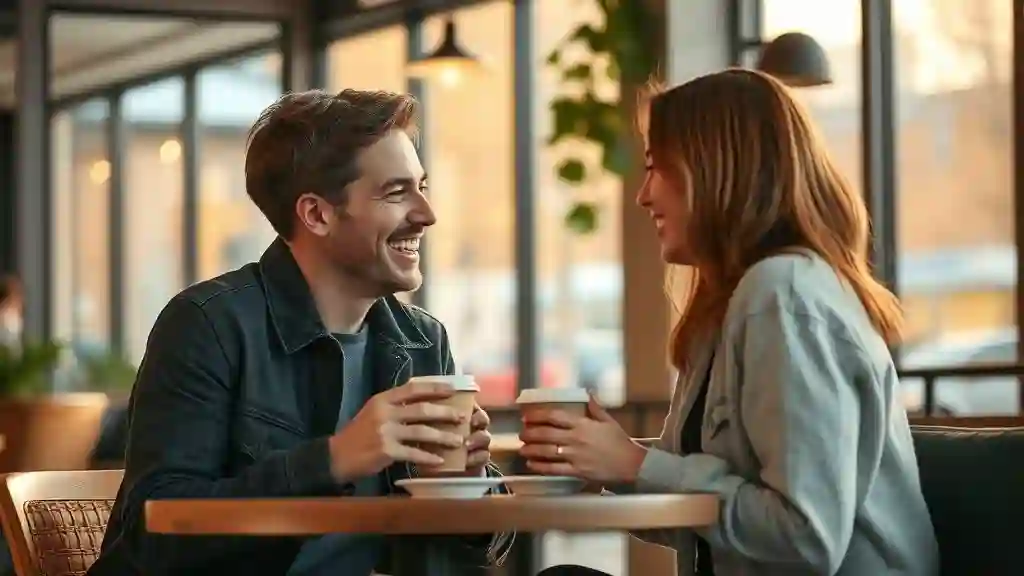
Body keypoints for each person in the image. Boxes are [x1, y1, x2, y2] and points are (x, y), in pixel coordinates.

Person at [519, 69, 940, 576]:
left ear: (713, 170)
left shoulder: (783, 294)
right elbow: (701, 526)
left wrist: (634, 465)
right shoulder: (732, 303)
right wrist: (612, 467)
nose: (643, 195)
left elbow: (805, 537)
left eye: (656, 168)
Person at [87, 89, 512, 576]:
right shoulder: (208, 325)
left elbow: (476, 550)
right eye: (397, 192)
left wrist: (468, 481)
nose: (427, 213)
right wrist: (332, 461)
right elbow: (154, 532)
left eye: (422, 186)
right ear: (316, 214)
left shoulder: (422, 340)